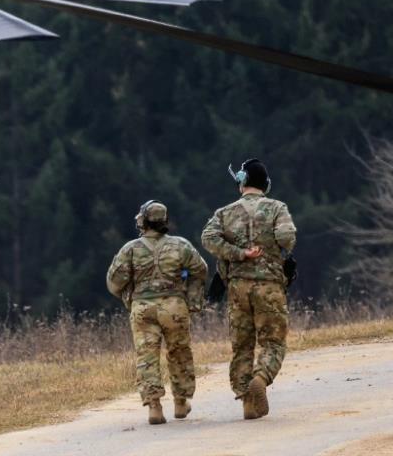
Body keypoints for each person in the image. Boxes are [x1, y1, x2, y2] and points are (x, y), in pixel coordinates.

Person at [201, 158, 296, 420]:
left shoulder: (224, 212)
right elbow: (287, 238)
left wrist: (238, 253)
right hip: (269, 286)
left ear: (242, 183)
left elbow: (208, 238)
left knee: (242, 346)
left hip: (238, 288)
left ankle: (246, 400)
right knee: (273, 341)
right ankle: (261, 377)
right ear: (265, 183)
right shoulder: (277, 208)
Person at [107, 200, 208, 425]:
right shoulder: (181, 245)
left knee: (147, 356)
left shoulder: (130, 249)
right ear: (164, 221)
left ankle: (154, 406)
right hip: (174, 307)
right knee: (179, 352)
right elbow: (200, 271)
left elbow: (114, 283)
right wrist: (191, 299)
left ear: (143, 221)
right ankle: (181, 402)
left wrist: (129, 296)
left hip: (143, 308)